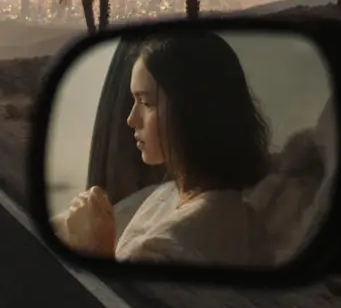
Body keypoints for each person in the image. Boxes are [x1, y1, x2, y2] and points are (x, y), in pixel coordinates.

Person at [53, 31, 275, 266]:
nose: (130, 119)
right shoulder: (175, 194)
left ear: (193, 111)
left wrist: (94, 248)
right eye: (133, 101)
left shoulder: (168, 249)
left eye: (146, 102)